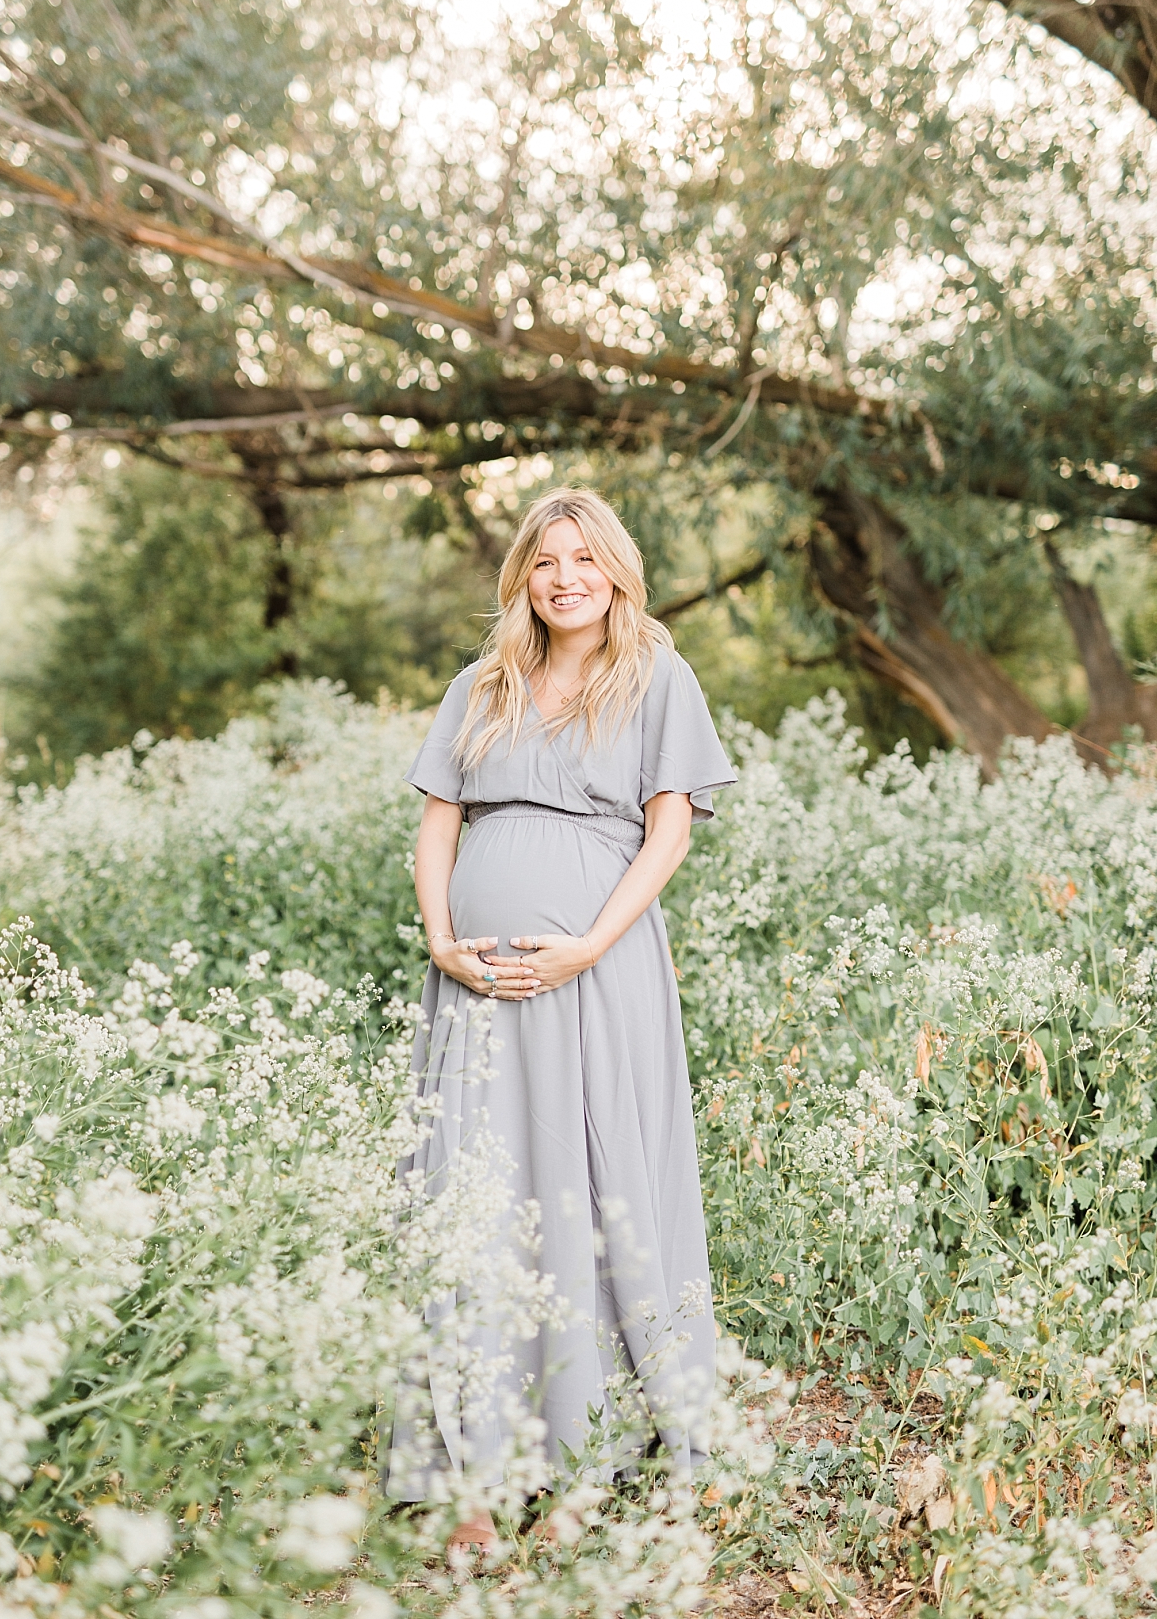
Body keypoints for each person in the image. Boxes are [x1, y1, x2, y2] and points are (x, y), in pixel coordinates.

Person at [385, 487, 735, 1553]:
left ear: (616, 571)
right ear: (522, 580)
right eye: (546, 563)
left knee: (598, 1190)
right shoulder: (481, 684)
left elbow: (667, 832)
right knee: (475, 1197)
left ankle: (588, 1465)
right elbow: (439, 825)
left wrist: (590, 942)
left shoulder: (654, 678)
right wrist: (442, 936)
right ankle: (472, 1474)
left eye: (584, 559)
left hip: (600, 971)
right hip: (475, 988)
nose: (566, 577)